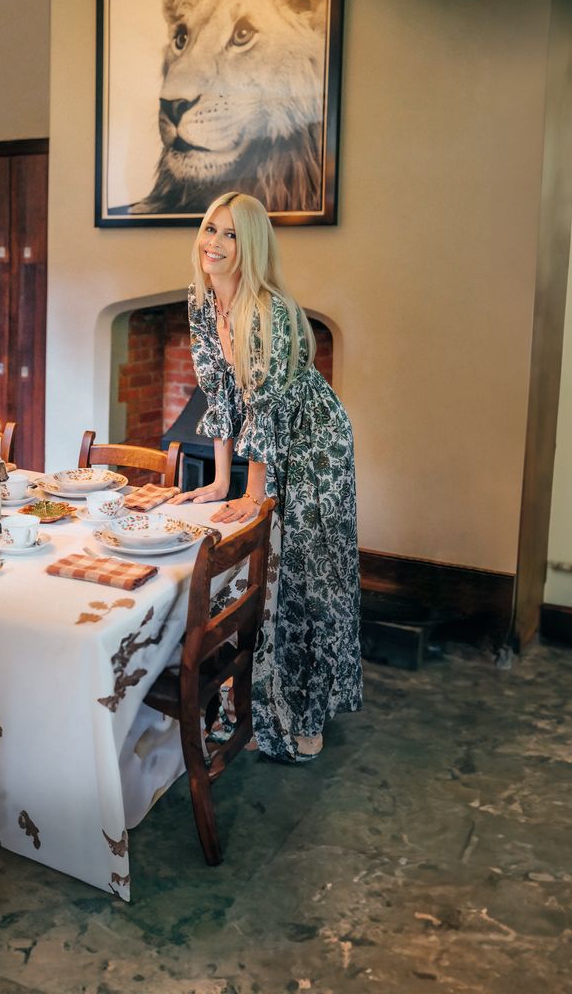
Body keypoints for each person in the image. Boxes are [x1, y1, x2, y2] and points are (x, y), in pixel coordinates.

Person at [169, 192, 362, 762]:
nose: (214, 243)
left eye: (230, 235)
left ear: (249, 245)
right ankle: (254, 697)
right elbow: (223, 395)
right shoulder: (202, 302)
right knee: (269, 569)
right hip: (272, 437)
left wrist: (254, 498)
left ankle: (303, 712)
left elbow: (268, 406)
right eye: (210, 229)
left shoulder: (268, 310)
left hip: (314, 443)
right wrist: (221, 482)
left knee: (302, 574)